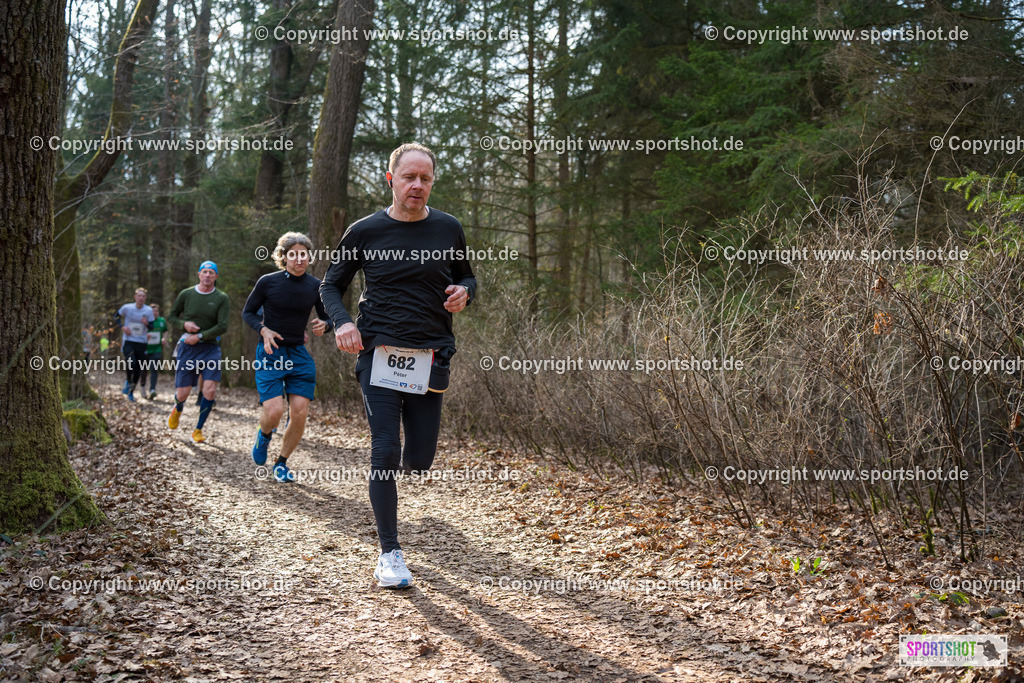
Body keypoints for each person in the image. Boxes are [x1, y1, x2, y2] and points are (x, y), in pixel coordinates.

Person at [320, 142, 476, 588]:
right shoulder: (365, 231)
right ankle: (390, 552)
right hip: (378, 351)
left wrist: (465, 292)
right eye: (409, 177)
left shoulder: (448, 228)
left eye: (425, 179)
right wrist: (343, 324)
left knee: (420, 459)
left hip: (431, 353)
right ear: (391, 180)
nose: (417, 186)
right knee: (385, 449)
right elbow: (331, 286)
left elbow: (466, 274)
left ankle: (391, 492)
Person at [243, 232, 333, 483]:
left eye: (303, 254)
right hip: (270, 352)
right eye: (293, 254)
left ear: (309, 256)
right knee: (274, 412)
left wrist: (324, 325)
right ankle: (264, 434)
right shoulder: (267, 282)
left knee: (300, 411)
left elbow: (329, 318)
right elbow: (248, 312)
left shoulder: (316, 286)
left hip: (298, 354)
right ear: (283, 257)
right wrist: (264, 330)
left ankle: (281, 463)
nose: (299, 259)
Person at [167, 261, 230, 443]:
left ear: (216, 276)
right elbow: (172, 316)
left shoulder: (221, 298)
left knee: (209, 391)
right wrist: (183, 324)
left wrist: (201, 336)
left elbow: (223, 326)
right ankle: (178, 407)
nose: (208, 275)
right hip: (188, 347)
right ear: (199, 274)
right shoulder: (186, 294)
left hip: (210, 348)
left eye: (211, 272)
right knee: (183, 393)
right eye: (205, 272)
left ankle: (198, 429)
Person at [117, 288, 154, 402]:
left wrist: (146, 323)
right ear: (135, 297)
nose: (141, 298)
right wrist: (123, 327)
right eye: (139, 295)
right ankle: (128, 381)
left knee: (138, 368)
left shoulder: (148, 310)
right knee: (131, 362)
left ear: (145, 298)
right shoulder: (127, 308)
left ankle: (131, 392)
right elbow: (116, 316)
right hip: (128, 340)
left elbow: (152, 326)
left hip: (142, 342)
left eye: (143, 296)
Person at [145, 304, 168, 399]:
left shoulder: (162, 321)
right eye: (152, 311)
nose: (154, 313)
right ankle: (142, 387)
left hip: (157, 349)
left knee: (154, 369)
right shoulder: (146, 321)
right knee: (143, 370)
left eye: (156, 311)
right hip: (145, 349)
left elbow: (165, 331)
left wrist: (164, 338)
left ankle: (152, 389)